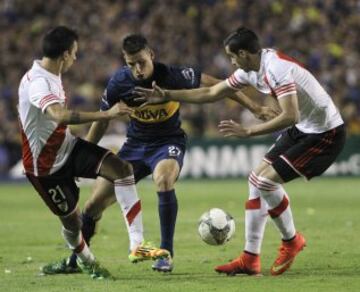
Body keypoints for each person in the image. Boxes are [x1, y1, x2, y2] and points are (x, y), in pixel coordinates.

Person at [52, 34, 275, 273]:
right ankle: (75, 261)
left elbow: (218, 85)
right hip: (135, 146)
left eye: (141, 62)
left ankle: (166, 254)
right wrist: (81, 157)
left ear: (151, 56)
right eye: (131, 64)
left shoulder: (171, 75)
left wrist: (255, 107)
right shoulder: (119, 84)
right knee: (94, 204)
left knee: (164, 178)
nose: (137, 69)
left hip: (168, 142)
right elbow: (102, 121)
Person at [134, 27, 346, 276]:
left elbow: (290, 115)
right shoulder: (251, 70)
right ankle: (250, 259)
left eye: (233, 57)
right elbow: (212, 92)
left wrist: (249, 132)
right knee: (255, 181)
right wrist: (167, 94)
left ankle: (291, 241)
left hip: (325, 133)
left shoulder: (276, 69)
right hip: (304, 128)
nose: (231, 62)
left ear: (244, 53)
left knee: (265, 182)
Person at [18, 26, 169, 280]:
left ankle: (137, 244)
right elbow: (59, 115)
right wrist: (107, 114)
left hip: (67, 147)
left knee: (122, 170)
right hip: (44, 167)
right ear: (65, 55)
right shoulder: (39, 83)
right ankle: (85, 261)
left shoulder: (50, 74)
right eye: (75, 53)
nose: (76, 58)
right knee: (73, 223)